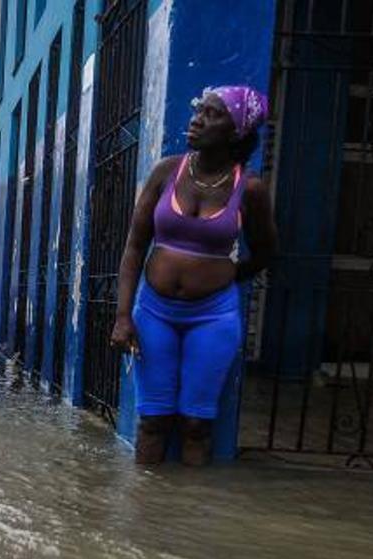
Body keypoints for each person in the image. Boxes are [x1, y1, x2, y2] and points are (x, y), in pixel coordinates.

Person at [110, 85, 278, 465]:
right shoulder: (167, 172)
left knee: (196, 425)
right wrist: (123, 317)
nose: (197, 119)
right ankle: (146, 515)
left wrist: (229, 275)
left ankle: (189, 515)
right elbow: (135, 246)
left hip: (213, 317)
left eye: (212, 114)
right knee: (152, 420)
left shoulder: (249, 189)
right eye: (198, 109)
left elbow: (267, 250)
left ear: (236, 131)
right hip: (154, 314)